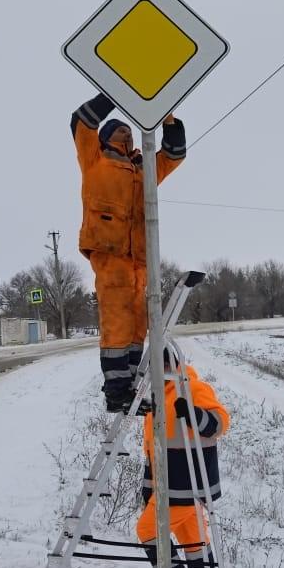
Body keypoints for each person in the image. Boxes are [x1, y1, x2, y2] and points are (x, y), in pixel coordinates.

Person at [71, 92, 186, 412]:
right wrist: (115, 91)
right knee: (118, 318)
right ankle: (117, 390)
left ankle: (131, 385)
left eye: (129, 133)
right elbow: (81, 120)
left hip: (139, 257)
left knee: (138, 321)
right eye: (119, 132)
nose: (126, 135)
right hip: (109, 250)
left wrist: (169, 120)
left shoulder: (143, 167)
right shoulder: (95, 157)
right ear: (107, 137)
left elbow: (174, 155)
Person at [136, 348, 230, 568]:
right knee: (196, 546)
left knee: (147, 532)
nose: (160, 370)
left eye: (164, 364)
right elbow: (153, 449)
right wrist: (148, 488)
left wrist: (192, 414)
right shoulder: (156, 396)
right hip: (168, 488)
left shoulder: (193, 387)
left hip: (186, 487)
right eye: (156, 365)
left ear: (174, 364)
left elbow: (220, 422)